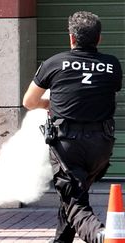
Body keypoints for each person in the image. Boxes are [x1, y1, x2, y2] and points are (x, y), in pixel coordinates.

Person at [23, 11, 122, 243]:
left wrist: (49, 103)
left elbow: (29, 102)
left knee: (75, 200)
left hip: (68, 144)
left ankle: (102, 236)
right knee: (73, 192)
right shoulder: (113, 65)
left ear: (71, 38)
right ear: (99, 39)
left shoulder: (54, 63)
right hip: (101, 145)